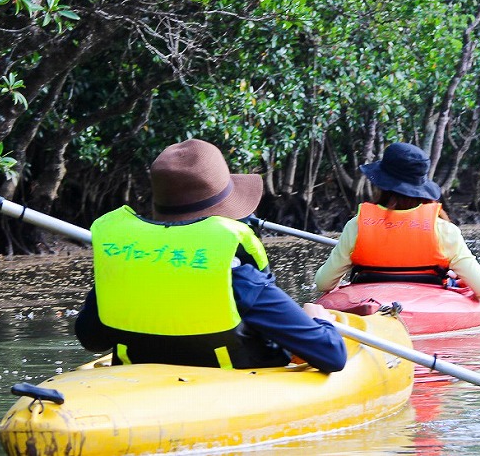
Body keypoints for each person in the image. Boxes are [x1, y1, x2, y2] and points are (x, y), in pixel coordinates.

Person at [75, 138, 347, 372]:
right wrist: (319, 320)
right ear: (224, 215)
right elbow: (332, 355)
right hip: (227, 388)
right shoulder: (241, 279)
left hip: (142, 384)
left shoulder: (124, 272)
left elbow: (92, 340)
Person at [314, 142, 480, 298]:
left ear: (381, 185)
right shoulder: (445, 230)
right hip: (426, 309)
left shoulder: (356, 226)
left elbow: (323, 283)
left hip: (371, 307)